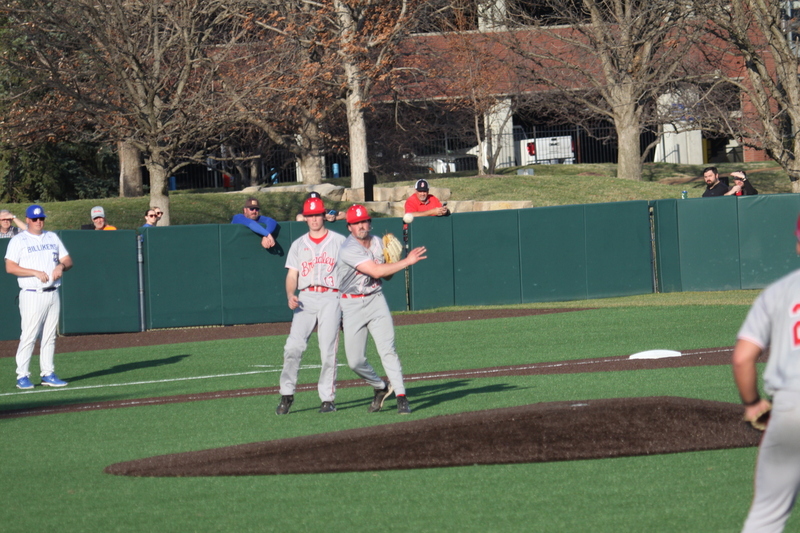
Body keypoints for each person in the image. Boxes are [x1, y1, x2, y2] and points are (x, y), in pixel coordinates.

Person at [733, 213, 800, 532]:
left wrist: (753, 403)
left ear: (798, 244)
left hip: (791, 412)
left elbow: (743, 358)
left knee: (766, 516)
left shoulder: (779, 292)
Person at [335, 204, 428, 414]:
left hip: (375, 300)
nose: (361, 225)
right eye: (356, 223)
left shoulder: (378, 243)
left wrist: (393, 261)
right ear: (349, 227)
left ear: (370, 222)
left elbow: (385, 276)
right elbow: (376, 271)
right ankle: (380, 387)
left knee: (388, 349)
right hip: (351, 304)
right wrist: (406, 261)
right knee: (355, 361)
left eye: (364, 221)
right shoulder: (348, 248)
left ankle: (402, 396)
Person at [276, 196, 347, 415]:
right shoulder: (298, 244)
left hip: (331, 296)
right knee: (293, 347)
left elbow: (349, 274)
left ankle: (327, 398)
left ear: (324, 215)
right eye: (310, 216)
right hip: (305, 297)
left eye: (317, 214)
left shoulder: (339, 241)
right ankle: (286, 394)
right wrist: (290, 294)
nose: (314, 219)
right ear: (305, 218)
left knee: (328, 350)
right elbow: (292, 275)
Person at [4, 204, 73, 389]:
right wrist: (34, 272)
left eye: (41, 218)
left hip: (53, 292)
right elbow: (10, 267)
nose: (38, 222)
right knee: (29, 335)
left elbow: (67, 260)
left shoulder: (51, 237)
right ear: (27, 220)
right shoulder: (19, 240)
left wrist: (60, 266)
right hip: (32, 293)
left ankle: (48, 373)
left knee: (50, 336)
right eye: (34, 219)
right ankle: (22, 376)